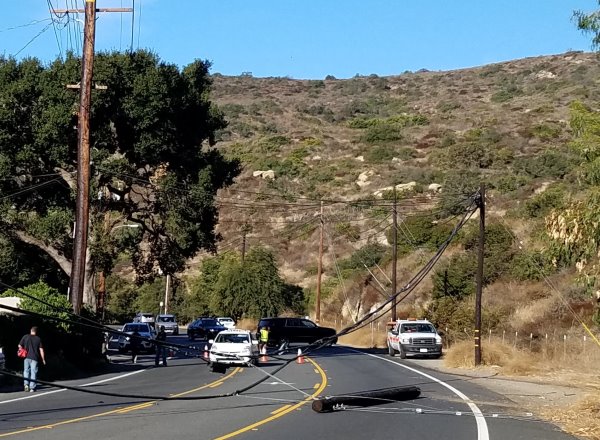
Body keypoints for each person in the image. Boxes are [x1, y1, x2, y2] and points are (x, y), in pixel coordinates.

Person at [18, 327, 46, 393]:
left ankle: (26, 385)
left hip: (26, 357)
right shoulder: (38, 339)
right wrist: (43, 359)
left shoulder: (25, 337)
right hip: (34, 358)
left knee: (26, 371)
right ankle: (32, 388)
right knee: (33, 372)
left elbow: (19, 345)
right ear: (36, 332)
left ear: (31, 330)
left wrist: (21, 350)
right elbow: (41, 350)